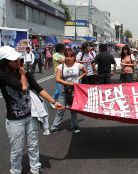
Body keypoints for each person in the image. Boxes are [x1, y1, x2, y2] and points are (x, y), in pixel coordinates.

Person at [0, 46, 63, 174]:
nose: (18, 61)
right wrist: (23, 74)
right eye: (14, 60)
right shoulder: (3, 76)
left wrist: (54, 102)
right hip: (15, 121)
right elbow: (23, 88)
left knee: (33, 145)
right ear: (5, 62)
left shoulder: (25, 73)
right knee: (17, 150)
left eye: (18, 58)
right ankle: (15, 171)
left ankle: (35, 169)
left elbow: (38, 89)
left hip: (31, 116)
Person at [50, 49, 88, 134]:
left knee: (74, 110)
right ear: (65, 57)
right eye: (67, 56)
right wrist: (67, 83)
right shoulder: (61, 66)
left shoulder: (78, 65)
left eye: (71, 56)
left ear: (74, 57)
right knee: (60, 109)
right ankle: (54, 127)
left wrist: (79, 78)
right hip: (64, 91)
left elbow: (86, 72)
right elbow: (57, 79)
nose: (69, 58)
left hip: (75, 91)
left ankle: (74, 126)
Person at [50, 43, 65, 108]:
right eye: (63, 48)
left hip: (64, 73)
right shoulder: (55, 55)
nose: (64, 49)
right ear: (60, 48)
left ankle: (63, 102)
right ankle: (52, 101)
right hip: (58, 74)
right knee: (59, 90)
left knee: (63, 89)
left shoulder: (63, 55)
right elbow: (61, 61)